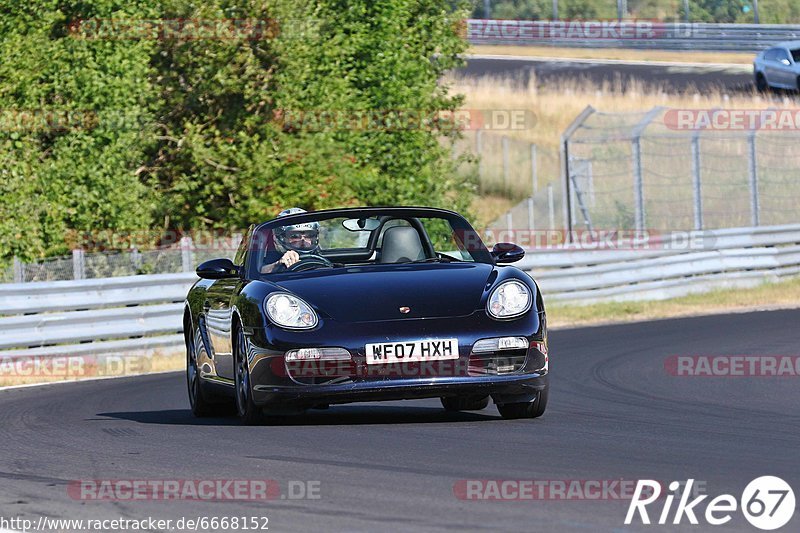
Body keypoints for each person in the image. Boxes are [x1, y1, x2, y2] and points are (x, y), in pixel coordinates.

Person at [260, 208, 321, 273]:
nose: (303, 240)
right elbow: (257, 273)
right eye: (295, 236)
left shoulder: (321, 256)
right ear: (280, 238)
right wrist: (278, 265)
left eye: (310, 235)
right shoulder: (269, 259)